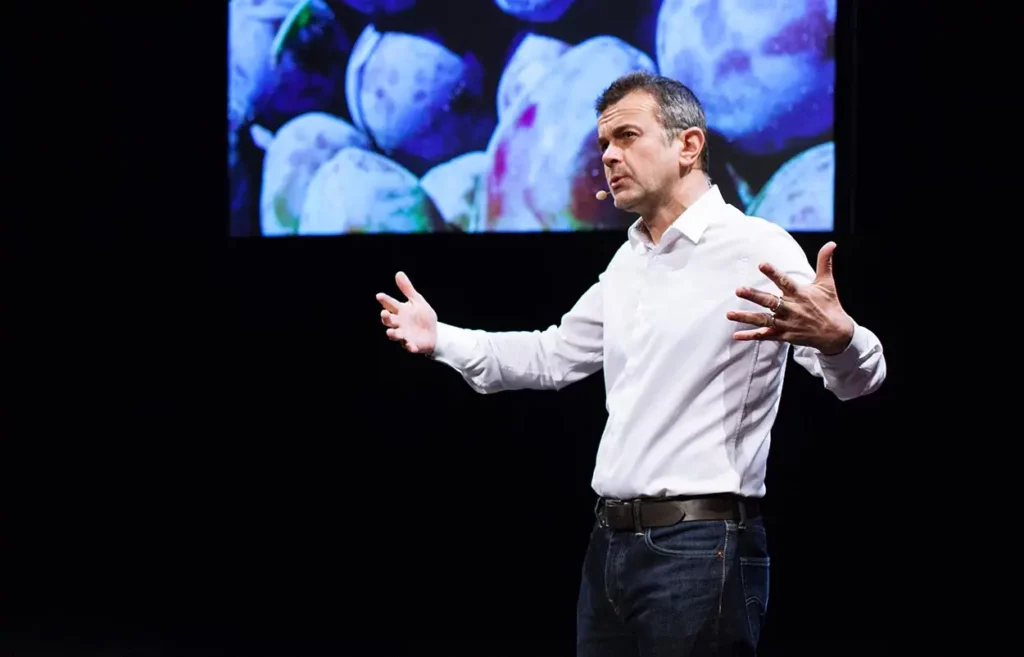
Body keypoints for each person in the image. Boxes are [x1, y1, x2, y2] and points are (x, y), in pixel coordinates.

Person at [375, 71, 886, 656]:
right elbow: (550, 356)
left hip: (702, 546)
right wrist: (440, 337)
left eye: (626, 137)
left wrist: (841, 339)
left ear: (687, 146)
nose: (609, 156)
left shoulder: (756, 247)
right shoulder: (629, 262)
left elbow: (856, 382)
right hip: (610, 548)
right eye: (603, 145)